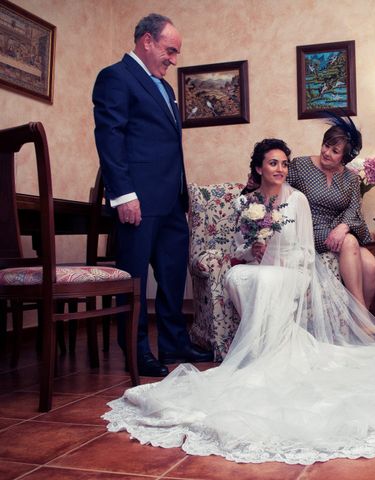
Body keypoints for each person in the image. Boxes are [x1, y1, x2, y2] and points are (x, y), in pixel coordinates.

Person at [102, 138, 375, 465]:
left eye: (285, 163)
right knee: (245, 276)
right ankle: (254, 349)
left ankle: (273, 352)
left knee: (279, 280)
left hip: (291, 269)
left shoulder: (299, 199)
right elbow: (236, 247)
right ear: (258, 168)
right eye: (273, 163)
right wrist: (254, 248)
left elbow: (305, 250)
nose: (282, 169)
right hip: (253, 266)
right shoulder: (245, 203)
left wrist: (283, 260)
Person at [92, 13, 212, 377]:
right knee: (135, 279)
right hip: (138, 200)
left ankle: (175, 342)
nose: (174, 59)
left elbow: (168, 145)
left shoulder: (166, 88)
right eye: (169, 50)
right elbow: (109, 137)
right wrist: (123, 194)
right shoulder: (115, 77)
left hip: (171, 199)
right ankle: (136, 348)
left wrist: (183, 194)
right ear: (147, 41)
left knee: (174, 275)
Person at [286, 114, 375, 309]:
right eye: (326, 145)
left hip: (338, 231)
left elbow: (354, 208)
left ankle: (358, 323)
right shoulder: (301, 165)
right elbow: (278, 187)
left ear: (344, 158)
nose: (326, 152)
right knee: (351, 241)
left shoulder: (351, 179)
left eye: (335, 151)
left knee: (371, 265)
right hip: (309, 229)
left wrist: (342, 227)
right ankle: (363, 319)